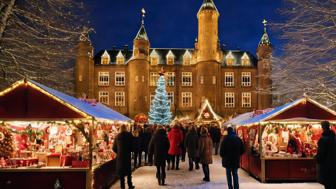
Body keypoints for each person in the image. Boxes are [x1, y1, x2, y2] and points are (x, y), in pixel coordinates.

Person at [112, 125, 135, 189]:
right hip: (127, 155)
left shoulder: (117, 136)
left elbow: (114, 148)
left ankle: (122, 187)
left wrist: (119, 152)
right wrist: (130, 150)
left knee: (121, 172)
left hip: (120, 157)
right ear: (126, 129)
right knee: (128, 171)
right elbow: (132, 146)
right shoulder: (129, 135)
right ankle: (130, 185)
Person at [316, 121, 336, 189]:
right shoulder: (334, 138)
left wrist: (316, 158)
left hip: (326, 166)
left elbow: (320, 155)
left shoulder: (323, 140)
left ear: (322, 127)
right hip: (334, 165)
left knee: (328, 184)